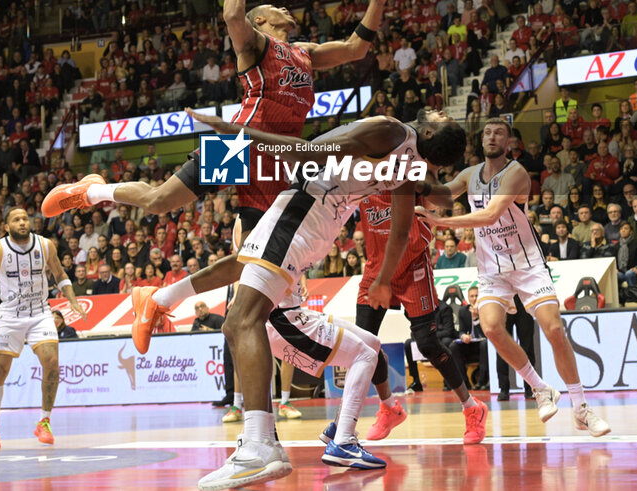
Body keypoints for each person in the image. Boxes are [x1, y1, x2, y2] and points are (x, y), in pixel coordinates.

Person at [42, 0, 404, 313]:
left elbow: (355, 48)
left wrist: (377, 0)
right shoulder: (256, 44)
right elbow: (233, 16)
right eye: (274, 8)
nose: (284, 8)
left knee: (252, 258)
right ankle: (94, 192)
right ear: (260, 20)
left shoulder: (305, 52)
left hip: (279, 157)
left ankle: (161, 300)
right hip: (241, 145)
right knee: (159, 202)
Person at [183, 107, 466, 489]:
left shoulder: (389, 129)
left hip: (302, 213)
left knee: (240, 321)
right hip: (318, 228)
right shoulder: (411, 167)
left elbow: (305, 153)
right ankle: (329, 438)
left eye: (441, 116)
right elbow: (402, 232)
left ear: (430, 133)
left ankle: (260, 444)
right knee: (359, 346)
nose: (438, 109)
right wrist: (382, 280)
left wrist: (237, 132)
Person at [418, 118, 611, 438]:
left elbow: (491, 214)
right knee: (492, 327)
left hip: (528, 265)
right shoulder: (469, 175)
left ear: (509, 142)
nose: (493, 137)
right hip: (492, 269)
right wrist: (423, 169)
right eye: (488, 133)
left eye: (500, 133)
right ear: (481, 140)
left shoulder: (517, 172)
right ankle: (540, 388)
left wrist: (441, 223)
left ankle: (581, 408)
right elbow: (438, 195)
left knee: (554, 329)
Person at [355, 191, 485, 444]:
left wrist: (436, 208)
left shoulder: (409, 172)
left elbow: (446, 195)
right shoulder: (359, 176)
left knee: (428, 344)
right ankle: (389, 407)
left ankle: (472, 407)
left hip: (412, 267)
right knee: (363, 344)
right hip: (377, 269)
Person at [0, 208, 87, 450]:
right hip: (9, 314)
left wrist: (73, 299)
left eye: (25, 218)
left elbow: (60, 274)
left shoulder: (46, 245)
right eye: (16, 219)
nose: (22, 222)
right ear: (6, 227)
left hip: (39, 312)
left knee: (51, 361)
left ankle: (44, 422)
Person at [269, 279, 388, 469]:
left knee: (372, 342)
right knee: (365, 356)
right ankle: (344, 442)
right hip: (280, 320)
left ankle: (337, 429)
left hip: (296, 311)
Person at [449, 286, 489, 391]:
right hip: (470, 345)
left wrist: (476, 318)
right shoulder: (463, 311)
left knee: (484, 344)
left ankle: (482, 381)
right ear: (468, 298)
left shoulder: (486, 310)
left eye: (477, 296)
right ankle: (464, 383)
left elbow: (486, 334)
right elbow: (461, 330)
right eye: (472, 296)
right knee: (453, 346)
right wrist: (463, 336)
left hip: (483, 346)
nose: (474, 298)